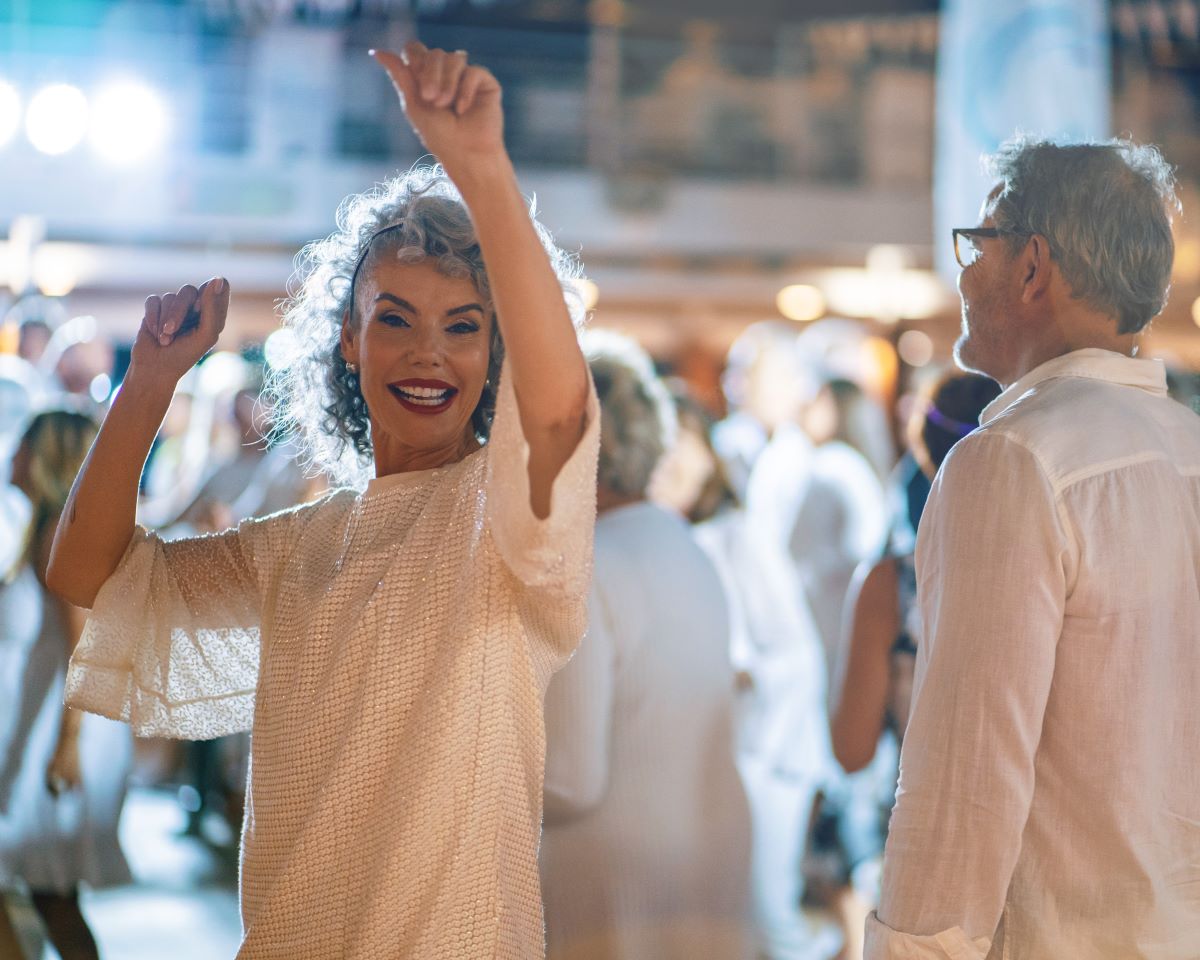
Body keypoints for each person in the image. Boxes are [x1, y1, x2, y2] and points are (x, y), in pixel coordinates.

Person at [48, 42, 599, 960]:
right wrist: (148, 382)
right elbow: (86, 572)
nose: (429, 354)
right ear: (347, 337)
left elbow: (559, 413)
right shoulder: (301, 544)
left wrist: (483, 170)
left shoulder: (504, 519)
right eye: (396, 319)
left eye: (465, 328)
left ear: (496, 355)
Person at [868, 138, 1200, 959]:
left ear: (1031, 267)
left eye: (977, 244)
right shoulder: (1186, 443)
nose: (963, 273)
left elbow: (965, 781)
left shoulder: (1012, 459)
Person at [540, 333, 752, 960]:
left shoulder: (591, 565)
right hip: (710, 848)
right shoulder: (685, 546)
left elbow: (573, 780)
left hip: (616, 876)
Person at [0, 411, 133, 960]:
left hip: (51, 744)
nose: (12, 457)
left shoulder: (58, 537)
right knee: (48, 896)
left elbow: (84, 648)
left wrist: (67, 746)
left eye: (24, 447)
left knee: (49, 895)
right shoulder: (41, 529)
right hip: (33, 737)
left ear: (48, 457)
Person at [830, 370, 999, 773]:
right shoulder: (1058, 567)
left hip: (917, 816)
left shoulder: (894, 585)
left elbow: (851, 749)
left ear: (924, 453)